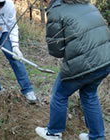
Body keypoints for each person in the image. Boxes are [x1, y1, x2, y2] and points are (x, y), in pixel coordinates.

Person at [35, 0, 110, 140]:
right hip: (105, 60)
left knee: (60, 93)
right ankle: (97, 136)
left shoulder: (56, 11)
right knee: (89, 94)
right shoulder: (87, 4)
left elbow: (56, 50)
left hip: (85, 63)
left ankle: (53, 132)